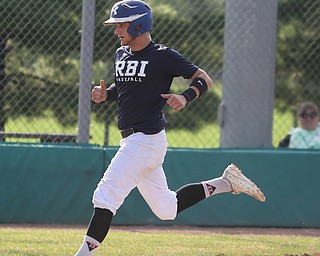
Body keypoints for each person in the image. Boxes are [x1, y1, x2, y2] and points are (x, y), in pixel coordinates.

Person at [75, 1, 266, 255]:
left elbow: (203, 79)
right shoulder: (121, 54)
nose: (116, 31)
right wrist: (105, 95)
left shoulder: (163, 55)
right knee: (167, 209)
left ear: (139, 24)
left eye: (121, 25)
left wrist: (186, 96)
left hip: (143, 140)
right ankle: (225, 182)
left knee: (105, 196)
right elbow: (124, 90)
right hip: (139, 142)